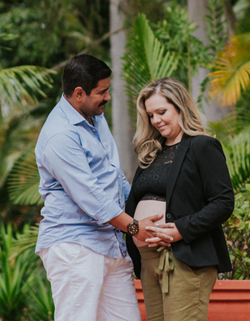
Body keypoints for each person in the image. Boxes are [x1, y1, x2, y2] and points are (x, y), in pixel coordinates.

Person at [34, 54, 158, 321]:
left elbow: (114, 178)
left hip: (110, 243)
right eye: (102, 92)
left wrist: (144, 207)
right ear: (79, 93)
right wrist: (136, 227)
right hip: (75, 247)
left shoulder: (94, 118)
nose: (108, 97)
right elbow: (93, 199)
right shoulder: (60, 136)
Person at [126, 78, 234, 321]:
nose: (156, 120)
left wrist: (181, 230)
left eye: (162, 112)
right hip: (148, 260)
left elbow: (223, 202)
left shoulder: (203, 146)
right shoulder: (151, 153)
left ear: (180, 106)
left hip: (183, 258)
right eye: (151, 115)